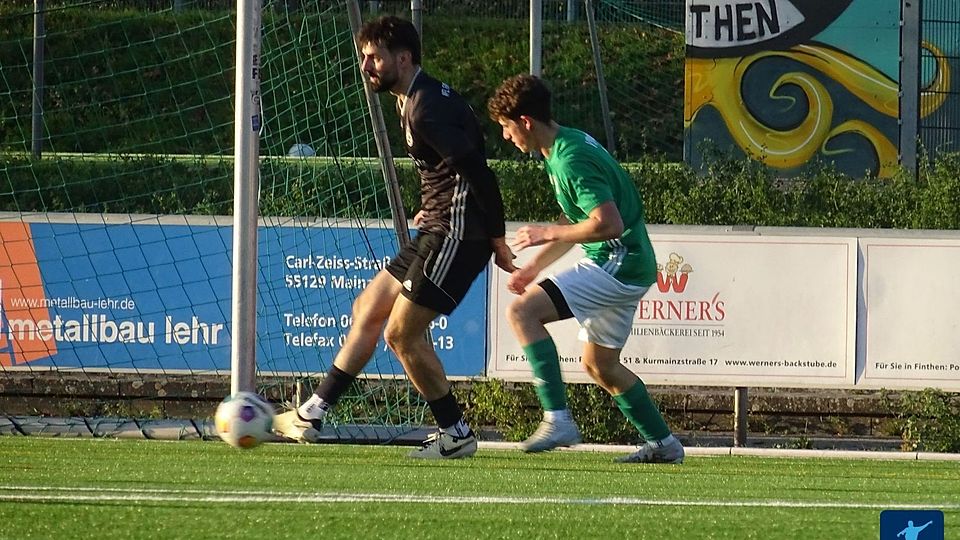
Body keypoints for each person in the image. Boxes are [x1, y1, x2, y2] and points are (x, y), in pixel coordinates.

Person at [274, 16, 515, 459]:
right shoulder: (415, 97)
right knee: (367, 307)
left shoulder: (424, 107)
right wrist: (434, 199)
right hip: (441, 223)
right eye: (363, 56)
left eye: (374, 57)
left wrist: (497, 238)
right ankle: (313, 412)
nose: (366, 66)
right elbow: (449, 165)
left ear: (402, 59)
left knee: (401, 336)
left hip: (458, 233)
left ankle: (456, 433)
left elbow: (478, 171)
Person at [486, 74, 684, 463]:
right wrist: (533, 269)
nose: (507, 138)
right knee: (600, 365)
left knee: (522, 312)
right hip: (627, 263)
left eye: (507, 128)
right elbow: (578, 219)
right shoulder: (565, 144)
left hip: (618, 262)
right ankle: (664, 443)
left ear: (525, 121)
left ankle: (557, 419)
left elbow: (606, 223)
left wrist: (545, 233)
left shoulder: (570, 158)